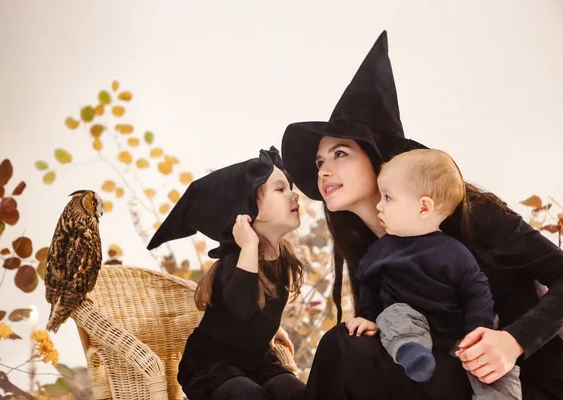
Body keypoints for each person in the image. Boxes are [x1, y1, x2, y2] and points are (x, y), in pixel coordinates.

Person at [281, 31, 563, 399]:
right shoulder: (370, 250)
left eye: (340, 154)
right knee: (346, 341)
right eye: (319, 162)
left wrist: (513, 341)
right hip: (439, 372)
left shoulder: (470, 215)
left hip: (519, 381)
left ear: (377, 155)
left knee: (347, 349)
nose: (323, 171)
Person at [349, 148, 520, 399]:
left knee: (497, 370)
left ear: (424, 207)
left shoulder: (453, 251)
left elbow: (476, 292)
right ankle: (413, 354)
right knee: (394, 315)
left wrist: (477, 332)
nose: (379, 205)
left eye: (388, 198)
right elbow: (368, 285)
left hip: (458, 334)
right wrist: (367, 317)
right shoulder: (380, 251)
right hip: (413, 327)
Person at [147, 147, 306, 400]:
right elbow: (241, 306)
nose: (293, 195)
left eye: (289, 187)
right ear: (248, 211)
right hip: (209, 366)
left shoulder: (283, 261)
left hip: (255, 359)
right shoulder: (234, 262)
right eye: (280, 189)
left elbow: (257, 309)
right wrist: (250, 246)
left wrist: (269, 327)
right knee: (248, 396)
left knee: (299, 394)